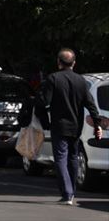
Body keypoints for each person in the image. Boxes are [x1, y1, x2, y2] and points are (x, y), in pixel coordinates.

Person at [36, 48, 102, 205]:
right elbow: (91, 104)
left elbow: (42, 103)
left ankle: (67, 194)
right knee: (73, 157)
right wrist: (97, 125)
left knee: (60, 158)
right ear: (74, 63)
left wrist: (45, 123)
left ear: (59, 62)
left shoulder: (53, 79)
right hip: (76, 126)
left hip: (59, 125)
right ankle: (71, 192)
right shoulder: (81, 81)